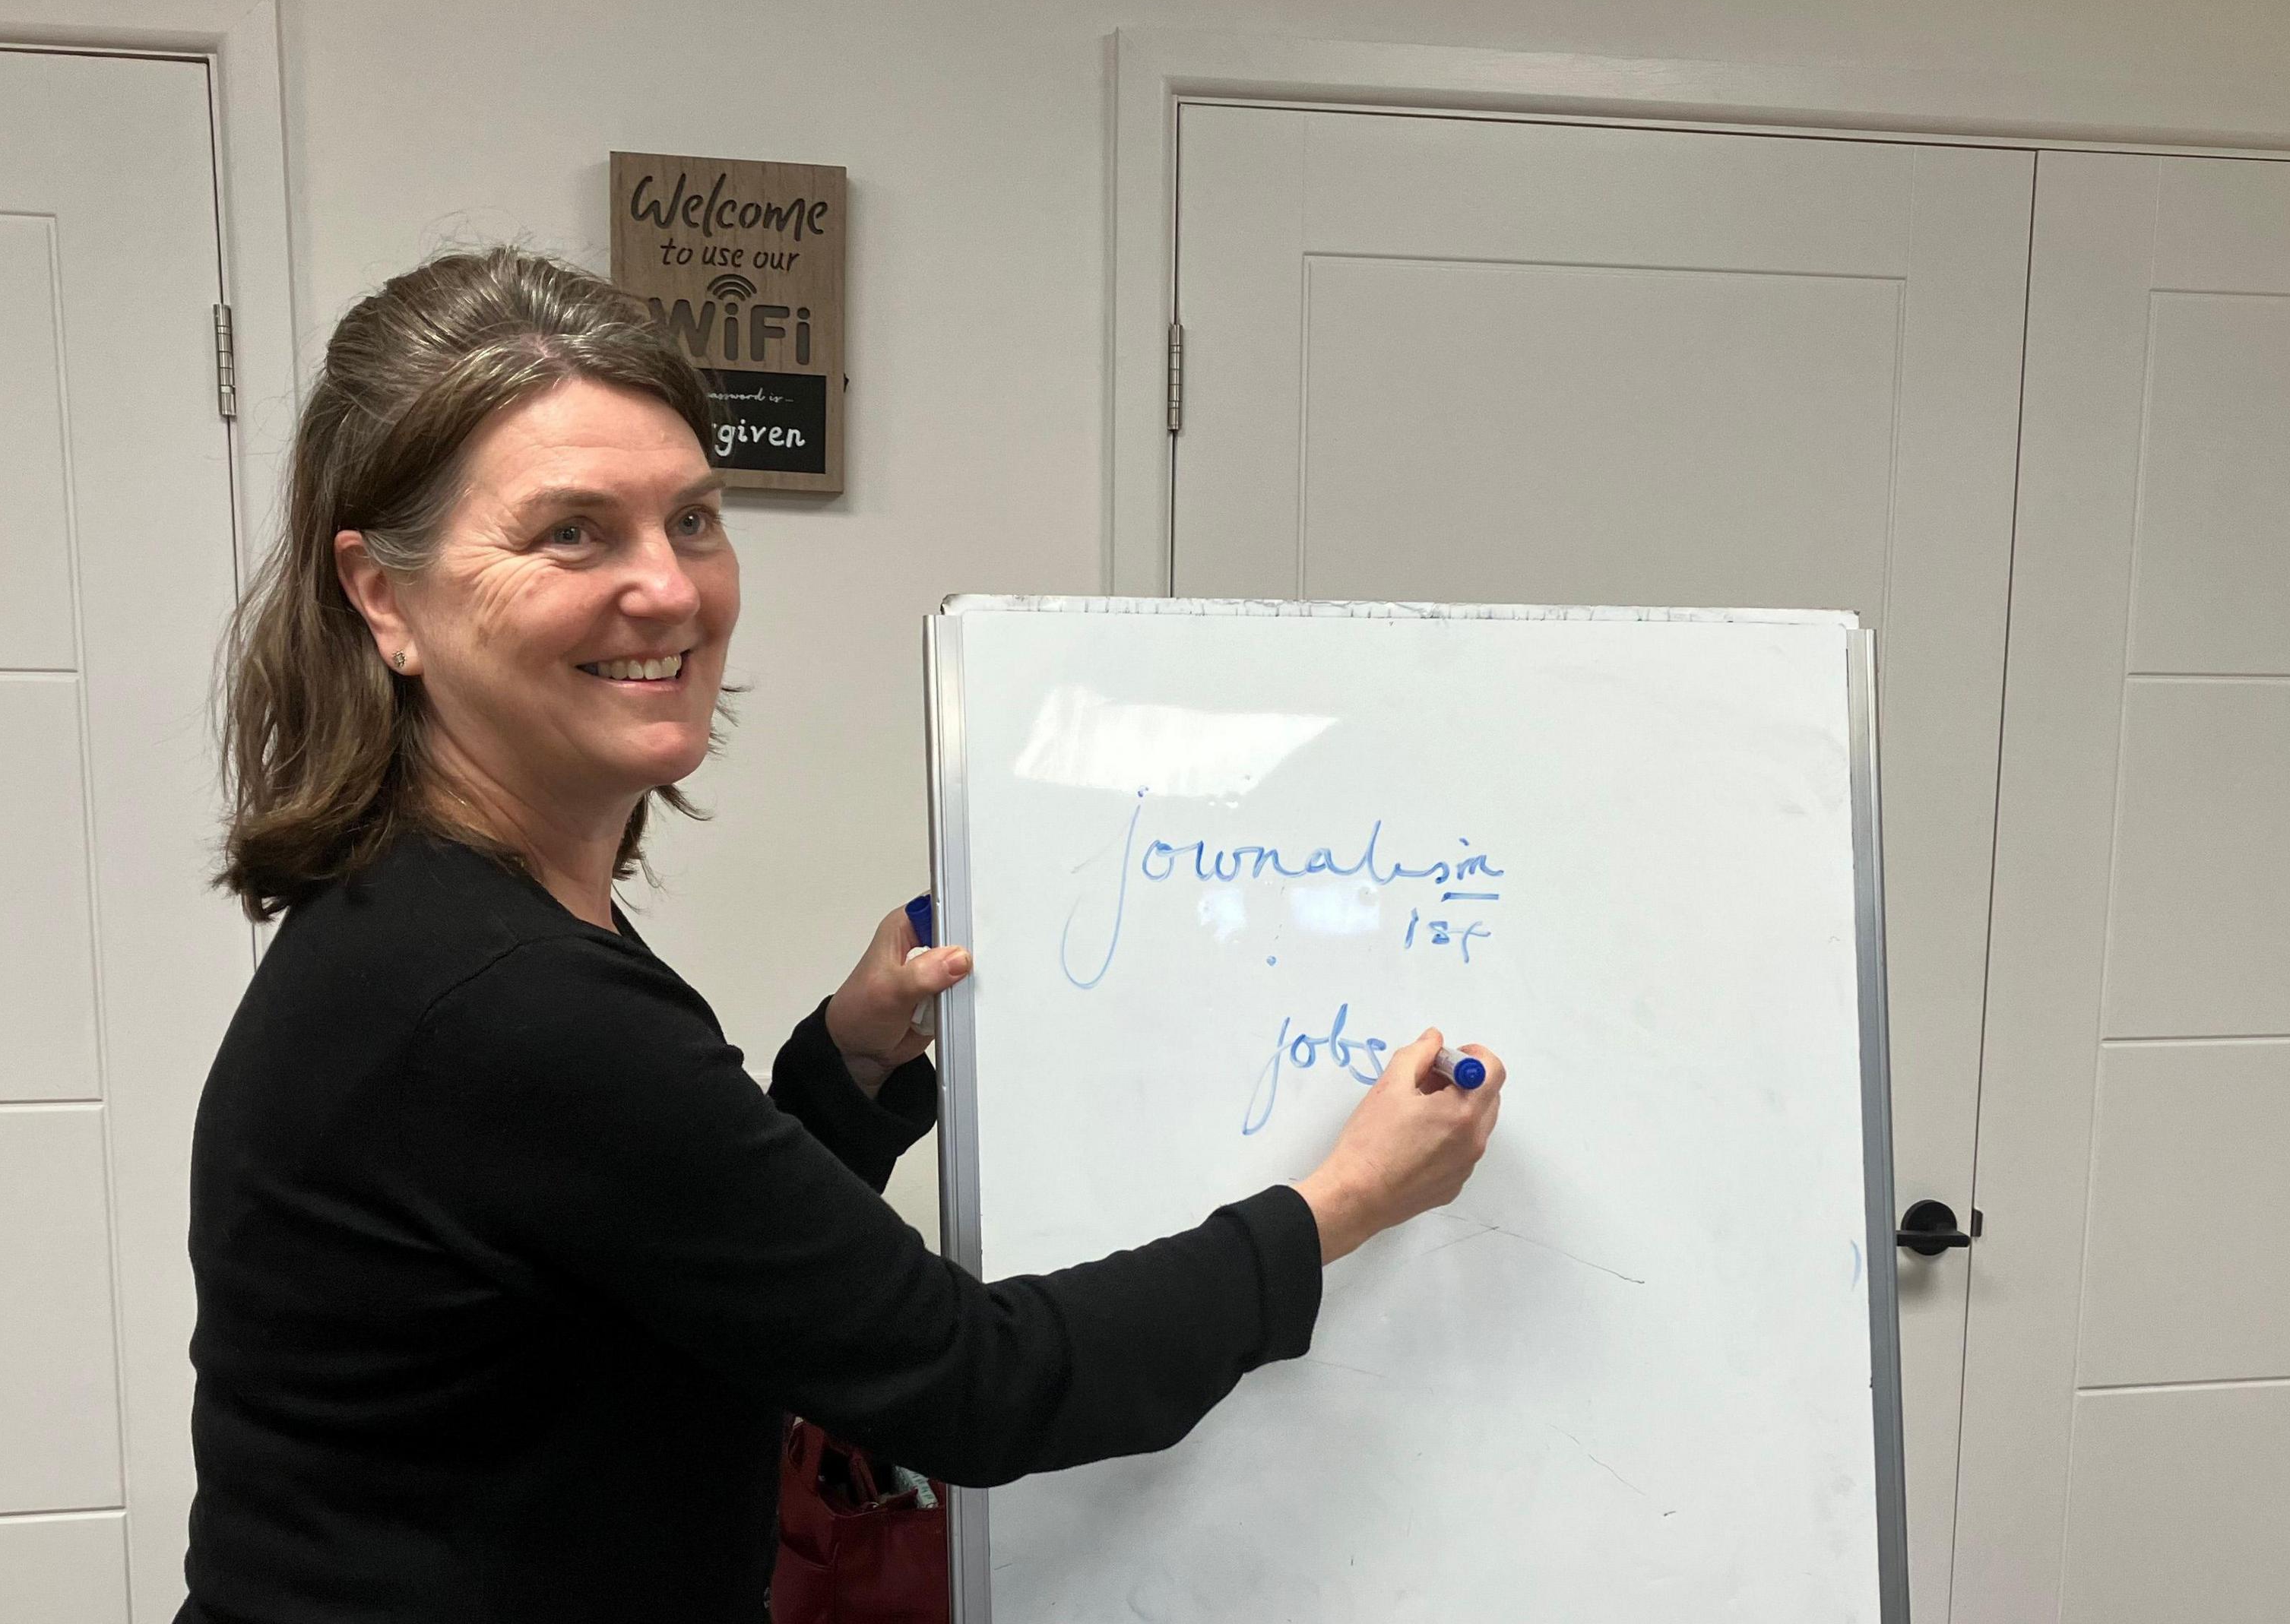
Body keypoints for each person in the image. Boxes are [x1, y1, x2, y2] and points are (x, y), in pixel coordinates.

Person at [179, 246, 1506, 1624]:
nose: (672, 590)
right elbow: (980, 1387)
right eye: (572, 531)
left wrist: (845, 1066)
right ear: (383, 597)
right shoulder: (502, 996)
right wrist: (1340, 1204)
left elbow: (663, 1254)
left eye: (692, 519)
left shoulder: (436, 914)